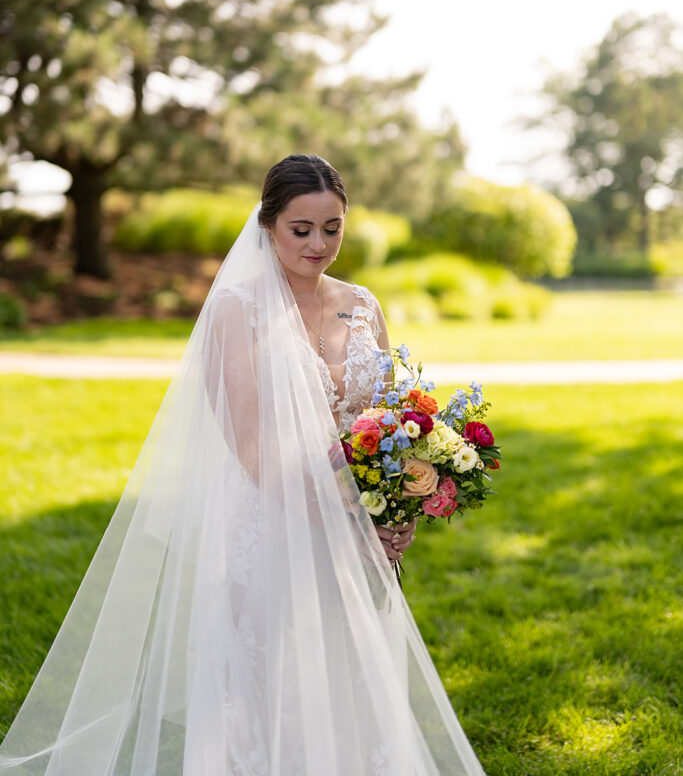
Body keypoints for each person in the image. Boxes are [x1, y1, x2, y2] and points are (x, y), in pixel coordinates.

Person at [0, 154, 486, 775]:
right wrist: (352, 523)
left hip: (360, 527)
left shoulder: (363, 305)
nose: (318, 244)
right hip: (271, 525)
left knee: (353, 681)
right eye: (300, 229)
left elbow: (390, 423)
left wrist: (400, 507)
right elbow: (254, 449)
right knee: (265, 695)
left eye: (332, 228)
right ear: (268, 225)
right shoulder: (237, 310)